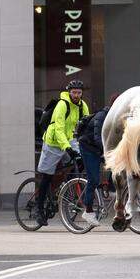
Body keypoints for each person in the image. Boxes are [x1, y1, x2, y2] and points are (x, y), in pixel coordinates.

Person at [35, 80, 89, 226]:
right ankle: (38, 209)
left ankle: (65, 185)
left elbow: (86, 127)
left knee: (81, 161)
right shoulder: (62, 105)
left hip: (70, 140)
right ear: (69, 92)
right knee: (47, 176)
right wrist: (67, 148)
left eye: (79, 92)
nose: (76, 95)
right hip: (53, 142)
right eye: (74, 92)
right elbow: (58, 129)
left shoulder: (83, 106)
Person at [77, 95, 118, 226]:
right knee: (93, 179)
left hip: (100, 149)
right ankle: (88, 211)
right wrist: (108, 152)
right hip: (88, 147)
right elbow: (97, 138)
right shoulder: (102, 116)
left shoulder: (117, 118)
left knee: (119, 165)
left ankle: (111, 189)